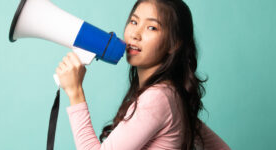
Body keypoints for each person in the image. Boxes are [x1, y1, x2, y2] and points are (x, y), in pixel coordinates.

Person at [55, 0, 230, 149]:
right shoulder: (172, 95)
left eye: (152, 27)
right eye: (133, 22)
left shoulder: (157, 98)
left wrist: (75, 91)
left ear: (174, 44)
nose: (136, 34)